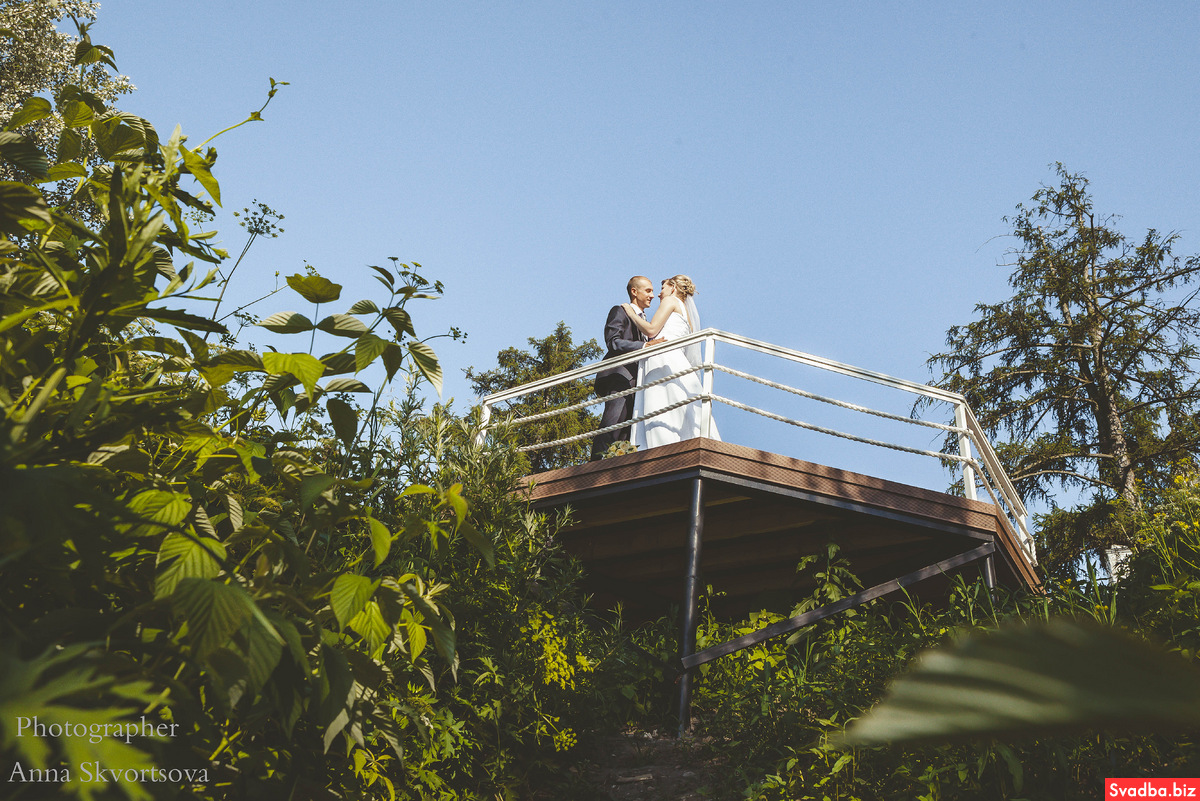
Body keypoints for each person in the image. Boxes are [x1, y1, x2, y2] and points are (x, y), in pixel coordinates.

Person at [623, 275, 720, 449]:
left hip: (662, 359)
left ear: (673, 288)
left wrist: (630, 312)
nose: (658, 295)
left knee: (659, 401)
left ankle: (658, 446)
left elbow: (652, 330)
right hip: (677, 360)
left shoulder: (671, 301)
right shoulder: (686, 313)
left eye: (662, 289)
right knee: (677, 402)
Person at [590, 276, 664, 460]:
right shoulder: (620, 311)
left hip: (637, 381)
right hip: (620, 376)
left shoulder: (645, 320)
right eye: (648, 290)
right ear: (634, 291)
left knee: (627, 428)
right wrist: (644, 347)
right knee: (612, 423)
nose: (653, 295)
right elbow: (613, 342)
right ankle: (595, 465)